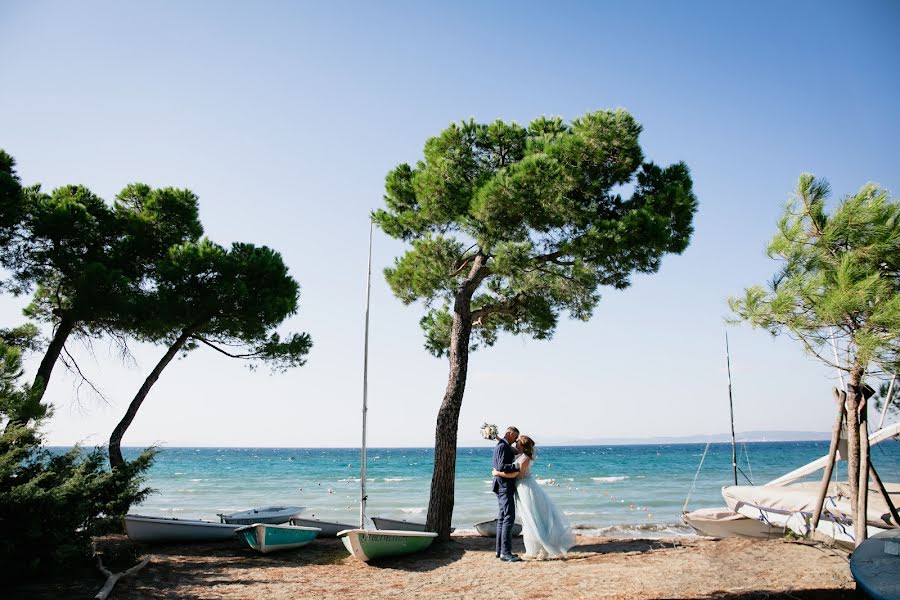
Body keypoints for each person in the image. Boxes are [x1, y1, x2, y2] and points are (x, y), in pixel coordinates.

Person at [493, 435, 575, 559]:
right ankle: (536, 548)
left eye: (517, 442)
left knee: (532, 518)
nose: (515, 443)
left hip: (526, 488)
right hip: (521, 488)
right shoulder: (520, 453)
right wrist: (496, 437)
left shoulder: (525, 458)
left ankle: (543, 548)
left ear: (521, 445)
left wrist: (496, 473)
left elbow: (514, 474)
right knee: (528, 519)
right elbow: (506, 445)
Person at [492, 425, 521, 562]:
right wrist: (516, 466)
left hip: (501, 486)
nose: (516, 440)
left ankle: (500, 551)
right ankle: (505, 552)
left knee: (503, 518)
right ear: (509, 433)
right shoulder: (503, 446)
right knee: (509, 517)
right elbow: (501, 467)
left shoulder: (503, 444)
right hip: (504, 486)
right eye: (515, 437)